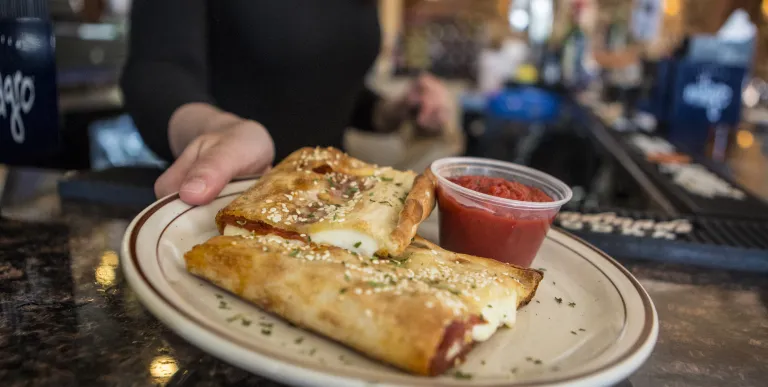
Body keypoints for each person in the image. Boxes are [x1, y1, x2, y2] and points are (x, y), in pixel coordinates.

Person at [120, 0, 452, 205]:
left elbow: (331, 91)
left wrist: (393, 110)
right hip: (229, 199)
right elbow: (158, 69)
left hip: (334, 197)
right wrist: (218, 129)